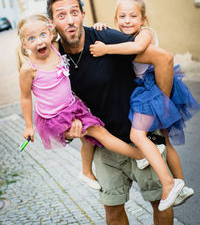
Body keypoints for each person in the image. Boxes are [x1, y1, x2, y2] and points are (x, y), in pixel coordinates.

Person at [47, 0, 179, 224]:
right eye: (61, 15)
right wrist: (68, 130)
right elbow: (50, 106)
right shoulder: (54, 58)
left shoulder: (104, 38)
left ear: (83, 14)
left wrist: (162, 108)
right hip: (105, 147)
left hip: (142, 136)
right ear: (52, 23)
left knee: (160, 202)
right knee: (113, 211)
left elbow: (163, 58)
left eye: (74, 12)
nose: (69, 20)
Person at [90, 0, 199, 208]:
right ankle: (182, 184)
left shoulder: (146, 34)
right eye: (121, 17)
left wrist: (105, 48)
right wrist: (101, 28)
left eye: (132, 17)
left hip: (149, 89)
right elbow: (121, 42)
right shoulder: (122, 35)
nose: (127, 21)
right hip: (144, 90)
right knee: (165, 139)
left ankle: (169, 184)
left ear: (143, 20)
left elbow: (136, 49)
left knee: (137, 136)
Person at [17, 13, 152, 191]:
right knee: (99, 132)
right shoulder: (29, 69)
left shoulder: (56, 48)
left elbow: (72, 34)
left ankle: (86, 171)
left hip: (72, 107)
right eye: (31, 38)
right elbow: (25, 97)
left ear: (51, 34)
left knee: (88, 139)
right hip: (54, 116)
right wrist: (28, 126)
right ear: (25, 44)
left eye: (43, 35)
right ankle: (142, 154)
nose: (39, 41)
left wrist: (97, 26)